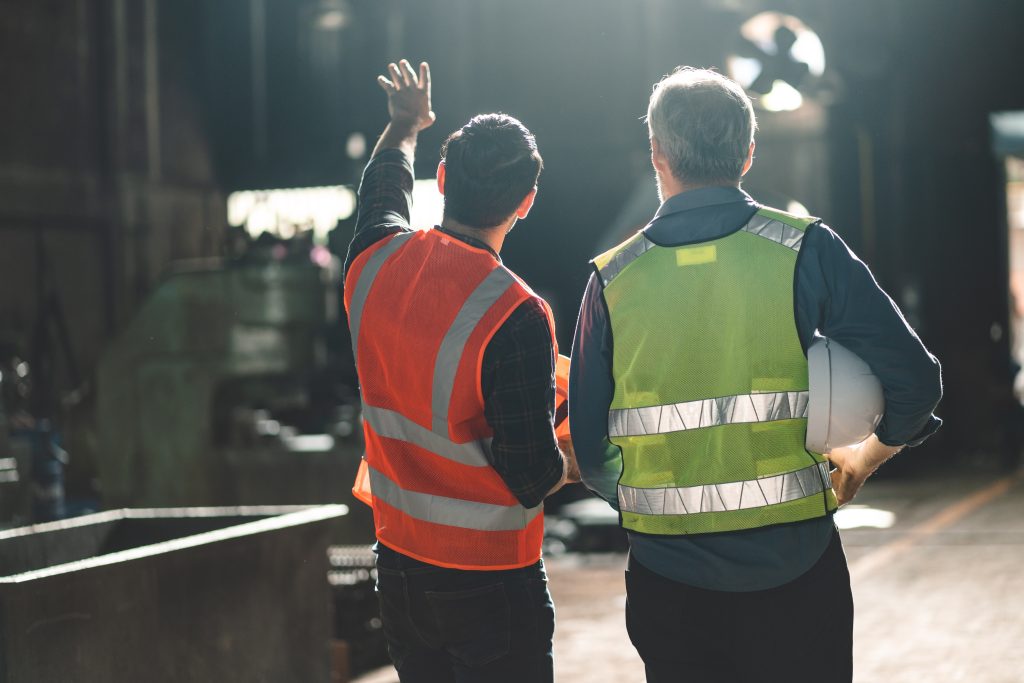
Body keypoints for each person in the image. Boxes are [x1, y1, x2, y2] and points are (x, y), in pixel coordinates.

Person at [569, 66, 942, 683]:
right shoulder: (806, 248)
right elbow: (915, 380)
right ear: (748, 152)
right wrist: (863, 458)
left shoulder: (611, 280)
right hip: (795, 567)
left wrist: (651, 505)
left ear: (656, 154)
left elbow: (589, 447)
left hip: (670, 581)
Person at [344, 59, 576, 683]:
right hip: (490, 584)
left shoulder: (371, 260)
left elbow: (383, 183)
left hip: (398, 570)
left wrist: (406, 125)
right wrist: (578, 450)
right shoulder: (518, 313)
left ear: (442, 178)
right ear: (526, 203)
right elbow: (530, 476)